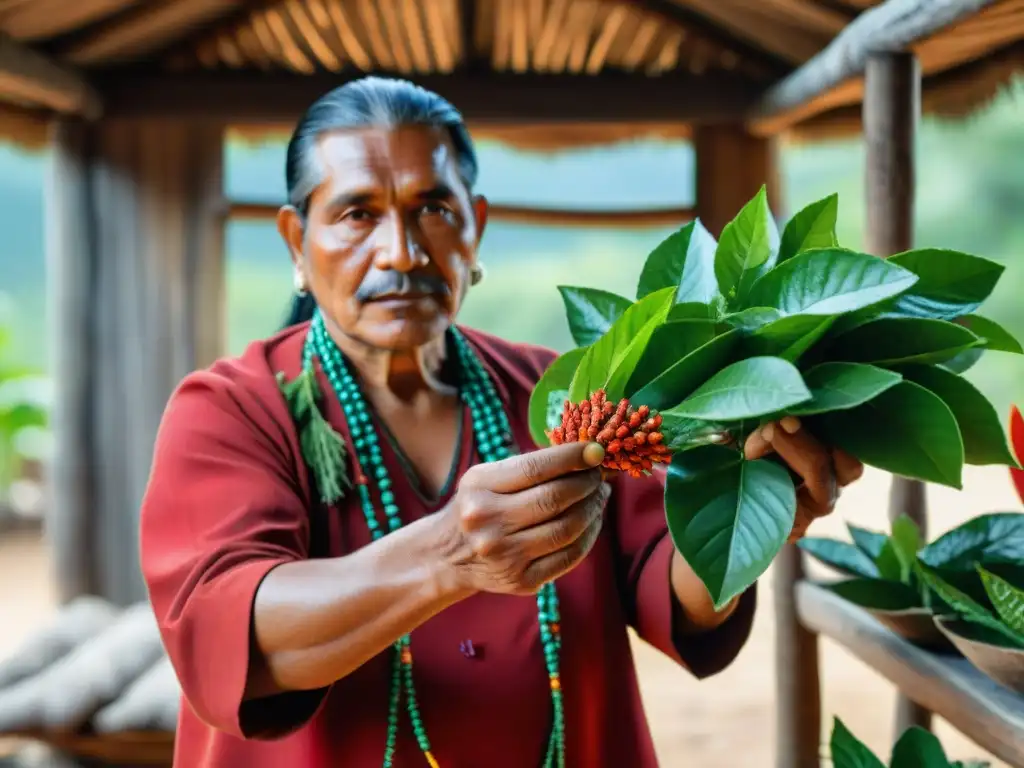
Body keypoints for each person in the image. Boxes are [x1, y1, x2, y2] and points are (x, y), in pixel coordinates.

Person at [139, 76, 863, 768]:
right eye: (358, 213)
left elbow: (671, 586)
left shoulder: (560, 395)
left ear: (475, 227)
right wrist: (451, 554)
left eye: (435, 209)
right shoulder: (230, 410)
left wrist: (760, 510)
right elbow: (233, 637)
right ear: (297, 241)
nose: (402, 251)